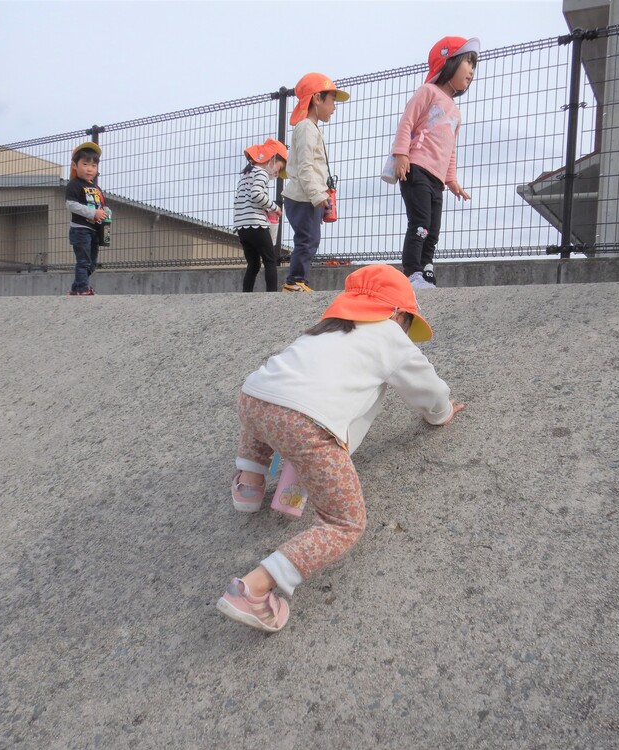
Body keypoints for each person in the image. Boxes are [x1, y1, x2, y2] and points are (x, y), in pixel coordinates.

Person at [217, 264, 464, 632]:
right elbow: (428, 389)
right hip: (308, 427)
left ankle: (250, 483)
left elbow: (278, 393)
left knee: (267, 412)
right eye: (410, 322)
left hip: (253, 396)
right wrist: (440, 414)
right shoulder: (391, 337)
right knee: (345, 523)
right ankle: (254, 588)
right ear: (398, 314)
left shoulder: (324, 331)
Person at [391, 36, 478, 290]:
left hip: (437, 180)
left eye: (474, 65)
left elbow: (450, 149)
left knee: (433, 228)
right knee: (419, 224)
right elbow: (407, 122)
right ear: (448, 63)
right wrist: (401, 154)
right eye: (467, 62)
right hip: (416, 169)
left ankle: (426, 269)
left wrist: (452, 179)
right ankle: (412, 272)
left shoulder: (455, 112)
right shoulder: (428, 92)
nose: (471, 70)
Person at [280, 73, 349, 292]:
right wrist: (318, 195)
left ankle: (299, 280)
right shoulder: (307, 128)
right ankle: (295, 281)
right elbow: (306, 166)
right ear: (317, 99)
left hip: (306, 196)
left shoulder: (311, 128)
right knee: (307, 239)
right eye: (331, 102)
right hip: (304, 197)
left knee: (310, 239)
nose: (334, 108)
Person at [234, 138, 288, 292]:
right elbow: (256, 195)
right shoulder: (261, 173)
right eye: (279, 167)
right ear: (272, 158)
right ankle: (271, 296)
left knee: (254, 264)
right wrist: (275, 208)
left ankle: (246, 296)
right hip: (256, 224)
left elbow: (240, 200)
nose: (277, 173)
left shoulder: (245, 174)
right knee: (270, 260)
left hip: (242, 227)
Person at [65, 141, 109, 296]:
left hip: (95, 229)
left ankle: (76, 288)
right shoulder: (74, 185)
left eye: (93, 166)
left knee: (92, 263)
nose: (90, 169)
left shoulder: (96, 188)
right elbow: (71, 205)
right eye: (85, 164)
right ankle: (83, 288)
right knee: (83, 261)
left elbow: (100, 205)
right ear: (75, 166)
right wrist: (92, 213)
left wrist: (105, 212)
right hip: (80, 229)